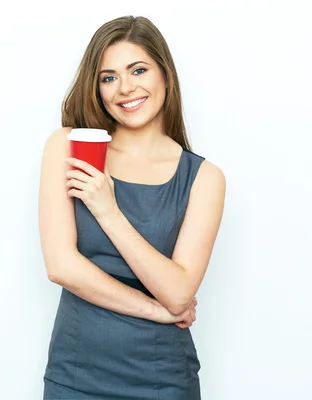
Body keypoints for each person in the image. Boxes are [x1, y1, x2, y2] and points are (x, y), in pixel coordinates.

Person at [38, 15, 226, 399]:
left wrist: (107, 209)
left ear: (166, 76)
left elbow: (177, 293)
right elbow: (61, 266)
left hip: (163, 379)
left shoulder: (204, 178)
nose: (125, 88)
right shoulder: (68, 147)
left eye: (138, 69)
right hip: (76, 375)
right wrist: (155, 311)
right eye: (108, 77)